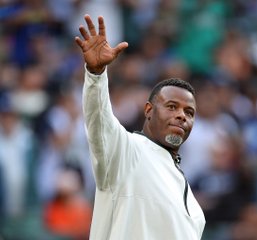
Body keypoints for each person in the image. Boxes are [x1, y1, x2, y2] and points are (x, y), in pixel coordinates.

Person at [75, 14, 206, 239]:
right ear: (148, 110)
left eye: (189, 112)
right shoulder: (126, 152)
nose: (182, 116)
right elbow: (100, 121)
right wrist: (96, 75)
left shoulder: (188, 195)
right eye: (172, 106)